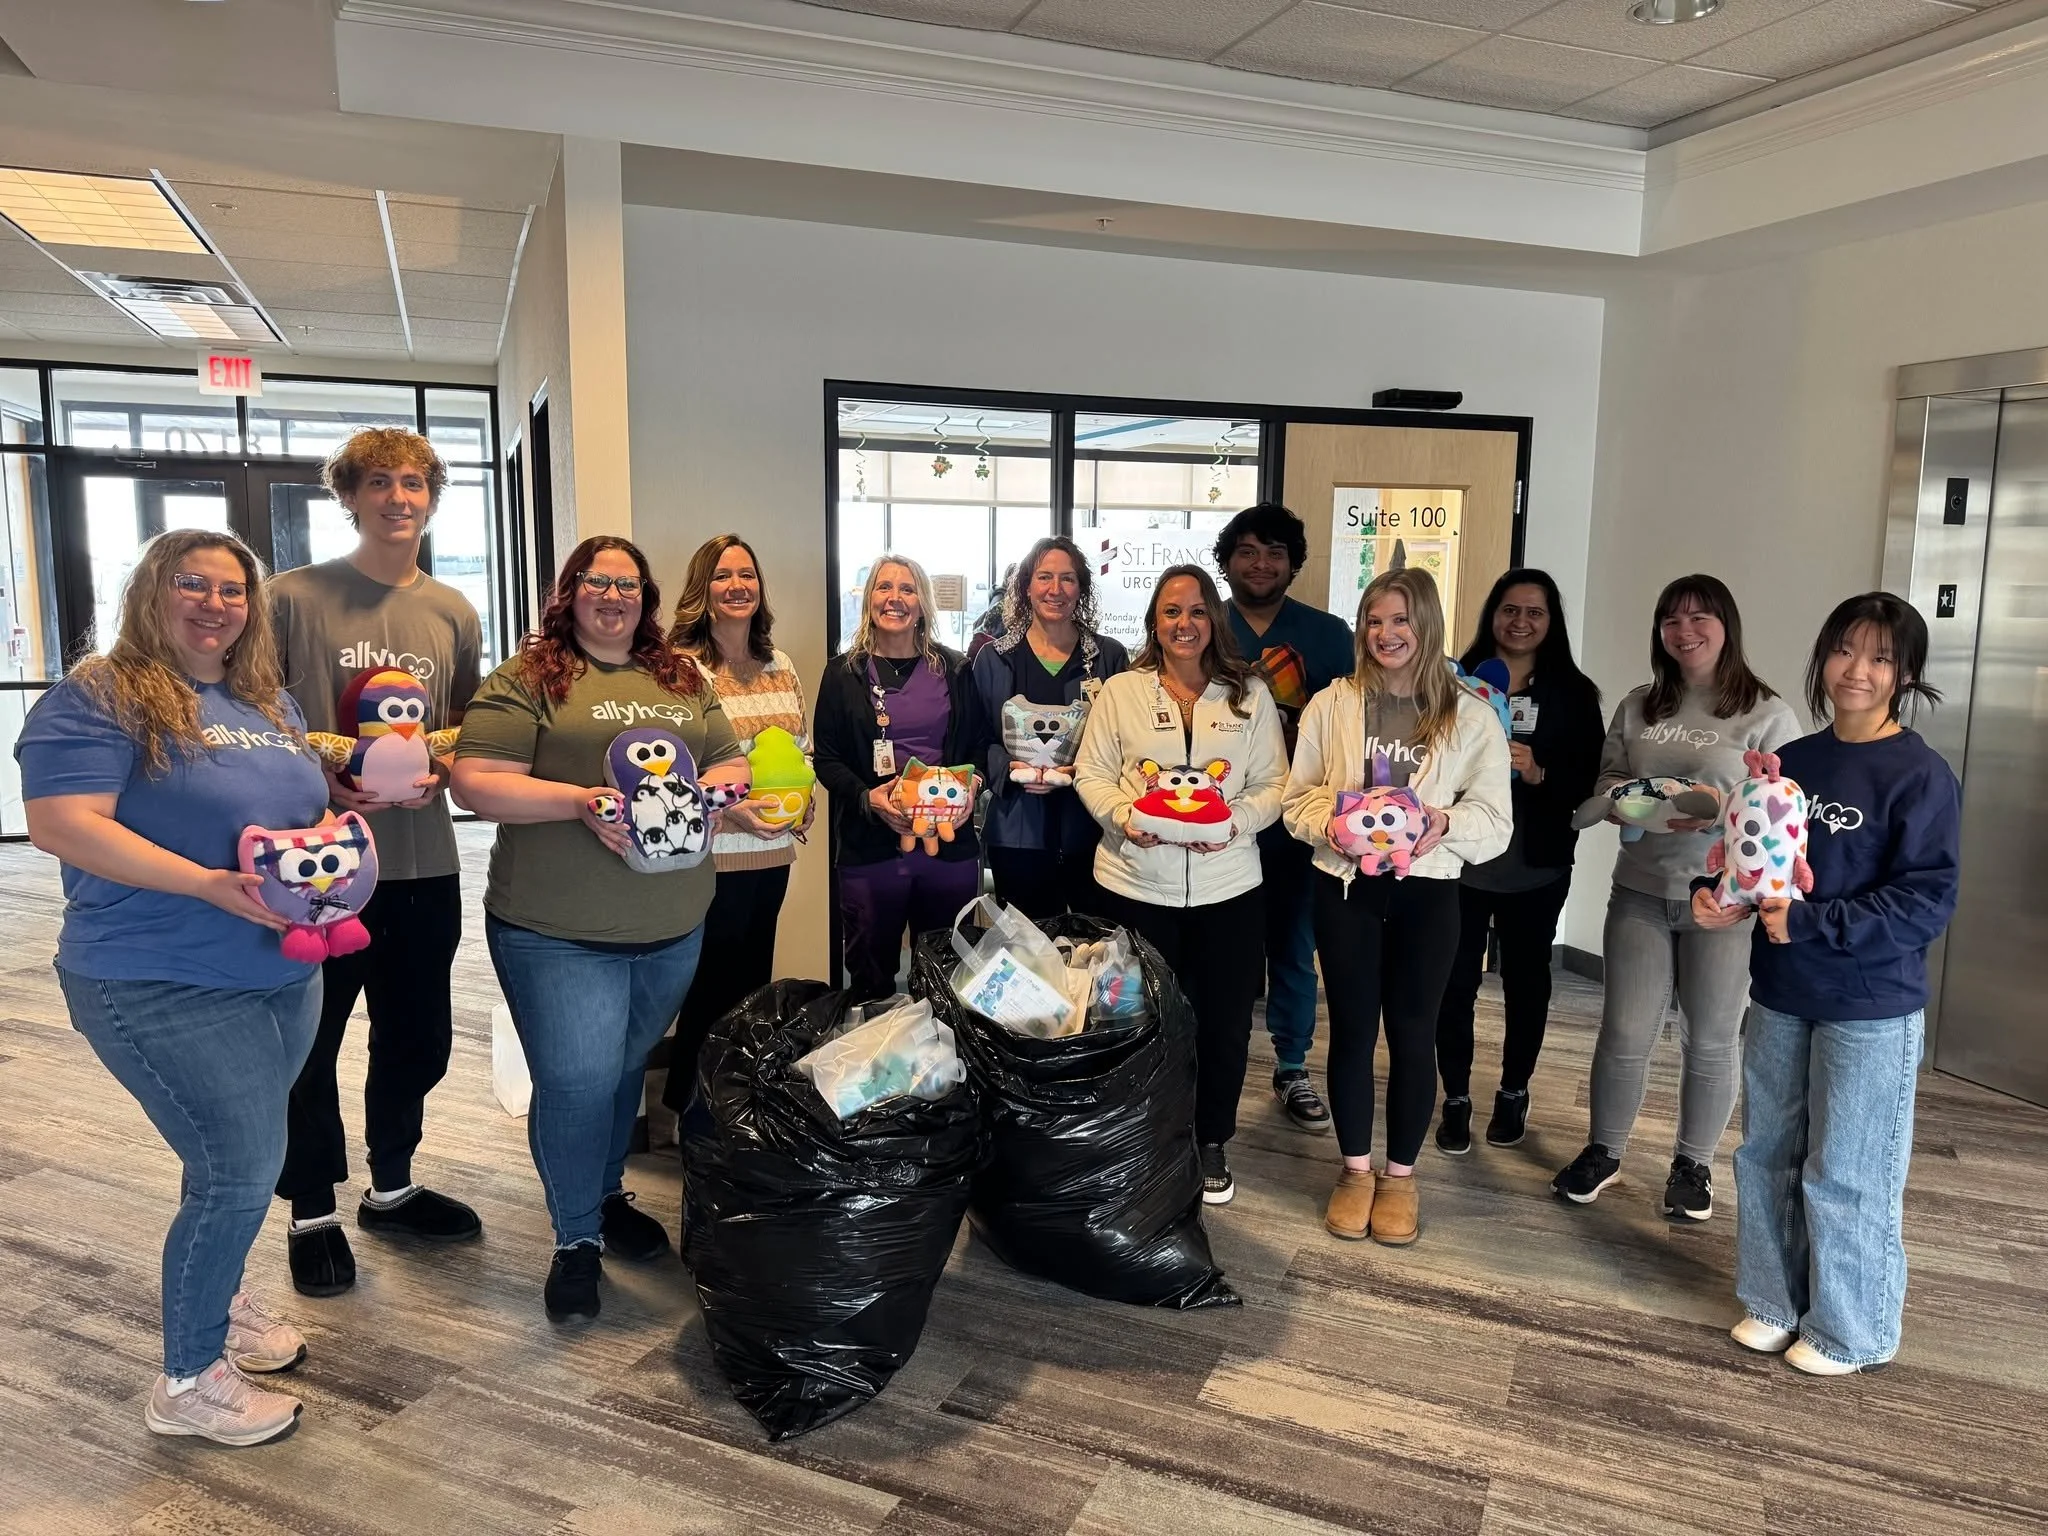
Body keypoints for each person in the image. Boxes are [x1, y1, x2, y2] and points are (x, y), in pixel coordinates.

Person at [17, 530, 328, 1446]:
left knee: (229, 1160)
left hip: (280, 969)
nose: (214, 602)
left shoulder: (264, 698)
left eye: (233, 590)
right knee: (238, 1170)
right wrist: (204, 884)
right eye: (192, 583)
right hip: (156, 974)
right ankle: (188, 1381)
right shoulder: (100, 694)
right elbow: (61, 824)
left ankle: (220, 1298)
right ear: (151, 589)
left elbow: (288, 810)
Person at [451, 537, 742, 1325]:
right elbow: (476, 782)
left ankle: (606, 1197)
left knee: (618, 1073)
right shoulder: (530, 676)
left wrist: (709, 789)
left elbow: (730, 762)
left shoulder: (679, 675)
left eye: (627, 583)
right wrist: (581, 801)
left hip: (671, 922)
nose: (612, 595)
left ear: (647, 597)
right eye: (596, 581)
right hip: (557, 929)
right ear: (569, 591)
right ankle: (576, 1238)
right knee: (577, 1082)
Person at [1699, 593, 1958, 1376]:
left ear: (1904, 674)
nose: (1858, 670)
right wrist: (1715, 899)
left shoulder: (1920, 776)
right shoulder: (1799, 762)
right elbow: (1749, 856)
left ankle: (1852, 1329)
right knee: (1768, 1152)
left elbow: (1926, 901)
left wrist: (1813, 925)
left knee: (1848, 1167)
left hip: (1870, 1004)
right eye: (1846, 650)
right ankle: (1775, 1303)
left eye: (1880, 657)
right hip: (1781, 990)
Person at [269, 427, 483, 1298]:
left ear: (432, 498)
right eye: (381, 483)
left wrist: (444, 770)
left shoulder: (452, 612)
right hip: (316, 865)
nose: (400, 498)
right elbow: (257, 714)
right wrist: (318, 770)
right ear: (349, 496)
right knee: (308, 1044)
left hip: (422, 862)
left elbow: (469, 726)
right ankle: (312, 1207)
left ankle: (391, 1185)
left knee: (418, 1036)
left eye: (415, 484)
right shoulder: (291, 599)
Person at [1552, 574, 1801, 1221]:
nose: (1684, 632)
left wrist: (1722, 810)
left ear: (1727, 626)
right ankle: (1604, 1152)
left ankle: (1693, 1165)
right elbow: (1608, 776)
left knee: (1713, 1039)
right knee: (1625, 1032)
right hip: (1639, 891)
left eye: (1699, 618)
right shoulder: (1640, 705)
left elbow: (1781, 812)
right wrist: (1620, 800)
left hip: (1724, 905)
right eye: (1671, 620)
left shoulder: (1768, 714)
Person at [1281, 569, 1511, 1245]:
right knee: (1351, 1030)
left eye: (1402, 621)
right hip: (1345, 888)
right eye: (1375, 621)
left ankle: (1401, 1176)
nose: (1387, 634)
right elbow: (1298, 799)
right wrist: (1335, 825)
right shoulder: (1332, 705)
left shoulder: (1470, 715)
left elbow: (1495, 821)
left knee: (1414, 1034)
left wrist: (1441, 823)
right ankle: (1355, 1170)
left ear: (1428, 627)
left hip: (1430, 891)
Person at [1073, 564, 1287, 1206]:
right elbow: (1092, 772)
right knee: (1137, 1021)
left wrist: (1233, 824)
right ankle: (1142, 1136)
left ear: (1213, 619)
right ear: (1154, 623)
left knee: (1222, 1022)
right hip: (1134, 885)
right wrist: (1122, 817)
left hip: (1229, 889)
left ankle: (1209, 1137)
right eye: (1171, 612)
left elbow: (1275, 785)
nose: (1184, 624)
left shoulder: (1249, 693)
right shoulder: (1120, 691)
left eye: (1196, 611)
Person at [1433, 569, 1604, 1154]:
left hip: (1537, 864)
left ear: (1551, 621)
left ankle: (1513, 1091)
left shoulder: (1576, 694)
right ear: (1492, 615)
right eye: (1510, 609)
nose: (1521, 622)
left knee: (1527, 983)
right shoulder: (1454, 679)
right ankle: (1455, 1096)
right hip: (1461, 862)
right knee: (1453, 983)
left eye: (1534, 612)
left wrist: (1539, 772)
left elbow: (1589, 780)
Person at [1216, 503, 1355, 1136]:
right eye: (1247, 550)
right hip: (1215, 823)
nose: (1261, 563)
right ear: (1228, 559)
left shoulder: (1329, 637)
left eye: (1274, 552)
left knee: (1295, 948)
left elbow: (1356, 726)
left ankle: (1292, 1064)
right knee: (1227, 953)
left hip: (1299, 823)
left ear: (1293, 564)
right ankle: (1206, 1063)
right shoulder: (1202, 626)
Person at [661, 534, 814, 1111]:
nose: (737, 586)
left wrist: (805, 798)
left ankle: (736, 1108)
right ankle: (690, 1109)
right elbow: (668, 764)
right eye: (723, 576)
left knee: (753, 984)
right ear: (702, 588)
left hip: (772, 852)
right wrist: (727, 810)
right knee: (708, 988)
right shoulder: (680, 668)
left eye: (746, 575)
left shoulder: (781, 664)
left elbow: (801, 749)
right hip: (710, 853)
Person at [814, 555, 989, 1003]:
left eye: (907, 589)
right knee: (870, 978)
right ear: (869, 598)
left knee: (948, 976)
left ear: (923, 603)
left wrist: (970, 789)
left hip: (947, 846)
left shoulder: (955, 670)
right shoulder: (841, 674)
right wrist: (867, 798)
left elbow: (978, 748)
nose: (895, 598)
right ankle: (879, 1067)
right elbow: (828, 759)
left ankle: (948, 1069)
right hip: (870, 850)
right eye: (884, 587)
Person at [971, 536, 1128, 920]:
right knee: (1028, 953)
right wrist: (1009, 769)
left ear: (1082, 588)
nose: (1055, 590)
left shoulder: (1108, 657)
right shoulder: (994, 659)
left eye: (1067, 579)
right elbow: (975, 740)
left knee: (1097, 951)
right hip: (1016, 832)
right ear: (1026, 586)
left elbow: (1126, 741)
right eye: (1044, 577)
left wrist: (1083, 772)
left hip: (1092, 831)